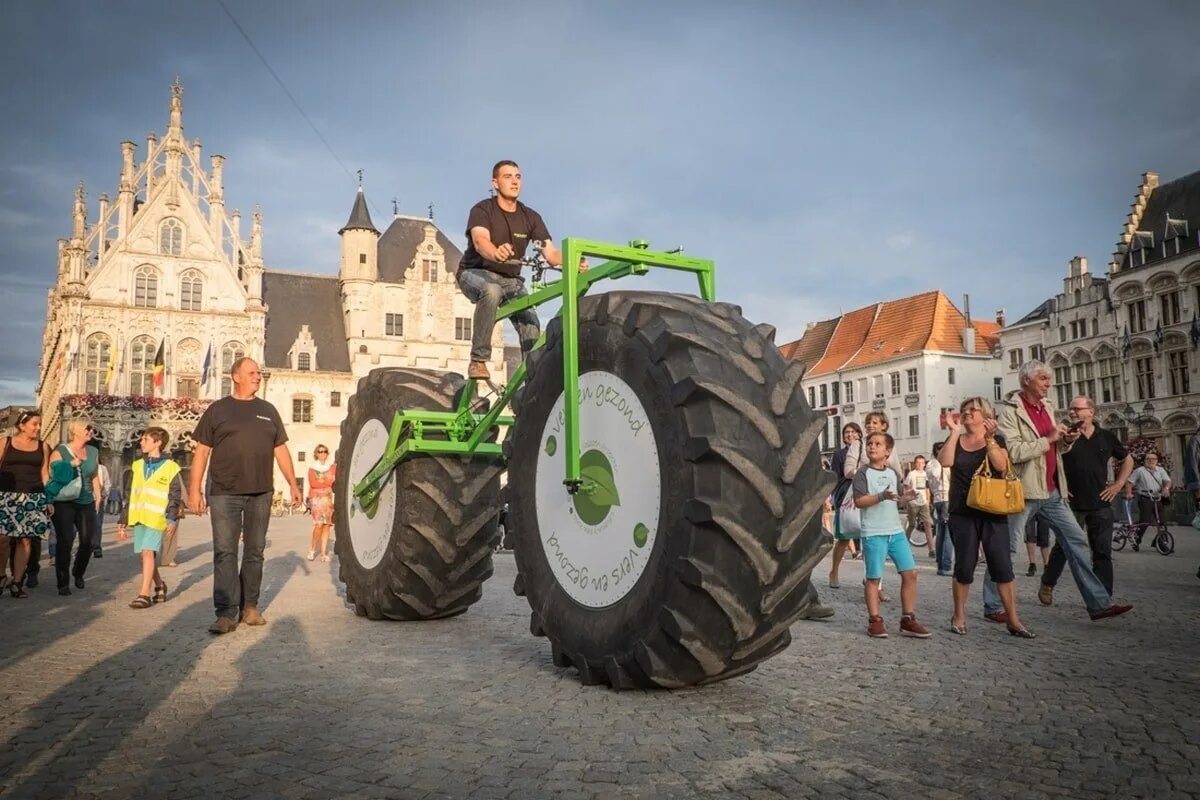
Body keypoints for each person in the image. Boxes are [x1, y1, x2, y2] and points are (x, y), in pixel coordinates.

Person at [991, 361, 1132, 622]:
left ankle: (1098, 604)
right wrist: (1050, 439)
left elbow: (1054, 449)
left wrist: (1065, 441)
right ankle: (992, 605)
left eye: (1049, 378)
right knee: (1008, 548)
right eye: (1043, 378)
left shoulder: (1047, 406)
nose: (1049, 383)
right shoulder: (1010, 412)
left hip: (1053, 489)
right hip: (1024, 489)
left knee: (1076, 540)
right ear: (1026, 381)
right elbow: (1014, 452)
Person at [188, 358, 302, 634]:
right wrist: (194, 490)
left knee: (255, 552)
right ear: (235, 376)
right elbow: (201, 452)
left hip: (261, 491)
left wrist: (293, 483)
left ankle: (250, 606)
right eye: (252, 373)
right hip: (224, 492)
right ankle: (226, 613)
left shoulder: (268, 411)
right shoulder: (218, 410)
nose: (258, 377)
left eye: (259, 373)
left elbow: (281, 450)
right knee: (225, 552)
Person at [456, 160, 583, 380]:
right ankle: (478, 360)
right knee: (492, 290)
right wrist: (495, 252)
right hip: (475, 273)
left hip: (512, 281)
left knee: (531, 322)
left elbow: (551, 254)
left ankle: (531, 382)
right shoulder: (482, 210)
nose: (514, 181)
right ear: (495, 183)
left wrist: (573, 260)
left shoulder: (531, 217)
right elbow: (480, 241)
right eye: (508, 177)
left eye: (518, 177)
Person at [938, 397, 1033, 638]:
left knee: (1002, 565)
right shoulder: (957, 439)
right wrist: (954, 431)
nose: (967, 413)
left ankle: (1013, 619)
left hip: (992, 510)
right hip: (963, 511)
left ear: (986, 416)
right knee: (964, 565)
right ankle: (958, 615)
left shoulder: (997, 439)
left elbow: (1001, 466)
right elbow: (945, 461)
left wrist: (989, 439)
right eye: (964, 410)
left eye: (973, 410)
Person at [1039, 395, 1132, 604]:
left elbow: (1127, 460)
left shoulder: (1106, 436)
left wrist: (1118, 485)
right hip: (1071, 502)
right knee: (1063, 547)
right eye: (1071, 409)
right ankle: (1048, 582)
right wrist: (1057, 484)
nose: (1072, 412)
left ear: (1091, 411)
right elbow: (1048, 461)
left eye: (1077, 409)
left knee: (1102, 551)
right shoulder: (1064, 435)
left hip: (1101, 502)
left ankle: (1103, 598)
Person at [851, 431, 931, 639]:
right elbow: (859, 502)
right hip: (874, 532)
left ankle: (908, 619)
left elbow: (895, 500)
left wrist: (906, 498)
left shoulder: (894, 473)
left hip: (895, 531)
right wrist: (880, 496)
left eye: (877, 444)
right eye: (869, 443)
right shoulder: (862, 473)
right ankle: (875, 620)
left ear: (888, 451)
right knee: (874, 578)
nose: (871, 447)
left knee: (910, 573)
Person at [115, 428, 182, 609]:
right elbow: (130, 494)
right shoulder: (137, 466)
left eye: (145, 439)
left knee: (147, 552)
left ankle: (143, 594)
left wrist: (172, 518)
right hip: (139, 515)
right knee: (145, 556)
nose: (141, 442)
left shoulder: (170, 467)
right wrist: (123, 518)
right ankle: (160, 585)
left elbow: (175, 495)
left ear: (158, 442)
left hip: (157, 517)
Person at [844, 412, 900, 601]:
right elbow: (848, 471)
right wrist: (869, 470)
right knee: (872, 542)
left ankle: (874, 581)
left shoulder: (890, 446)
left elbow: (896, 471)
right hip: (865, 497)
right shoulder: (858, 445)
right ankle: (875, 584)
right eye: (867, 422)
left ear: (884, 425)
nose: (869, 425)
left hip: (886, 501)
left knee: (881, 544)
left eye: (874, 422)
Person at [45, 420, 102, 596]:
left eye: (92, 428)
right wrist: (70, 464)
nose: (91, 431)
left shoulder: (93, 451)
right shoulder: (60, 451)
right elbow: (52, 476)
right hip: (64, 500)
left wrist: (98, 496)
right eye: (87, 428)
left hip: (86, 500)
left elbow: (93, 475)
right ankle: (63, 582)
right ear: (75, 431)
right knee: (66, 541)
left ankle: (78, 572)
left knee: (89, 541)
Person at [0, 410, 52, 598]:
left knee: (26, 540)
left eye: (39, 424)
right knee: (3, 539)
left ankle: (17, 582)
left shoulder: (43, 446)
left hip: (33, 497)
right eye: (34, 424)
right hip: (6, 496)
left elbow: (45, 474)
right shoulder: (5, 443)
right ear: (22, 426)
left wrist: (48, 498)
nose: (38, 428)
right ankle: (1, 575)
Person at [827, 422, 863, 588]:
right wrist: (833, 497)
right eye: (846, 432)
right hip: (846, 498)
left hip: (864, 495)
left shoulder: (866, 449)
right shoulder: (840, 454)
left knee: (869, 538)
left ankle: (873, 579)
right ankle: (834, 571)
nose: (850, 435)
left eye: (853, 431)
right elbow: (835, 477)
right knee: (843, 538)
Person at [1127, 451, 1171, 551]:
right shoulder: (1139, 471)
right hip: (1145, 499)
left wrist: (1166, 488)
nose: (1151, 461)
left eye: (1153, 459)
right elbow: (1129, 482)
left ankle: (1161, 544)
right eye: (1148, 459)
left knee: (1162, 522)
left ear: (1157, 461)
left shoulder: (1160, 470)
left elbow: (1168, 481)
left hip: (1158, 499)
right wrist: (1129, 493)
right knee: (1145, 521)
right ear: (1145, 460)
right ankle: (1136, 540)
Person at [306, 445, 336, 562]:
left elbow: (334, 481)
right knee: (319, 524)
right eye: (320, 451)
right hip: (317, 499)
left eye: (325, 451)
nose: (322, 453)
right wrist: (327, 483)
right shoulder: (312, 468)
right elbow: (313, 483)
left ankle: (323, 553)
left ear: (327, 454)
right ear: (316, 454)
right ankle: (312, 549)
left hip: (327, 499)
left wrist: (324, 482)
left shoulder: (332, 467)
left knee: (326, 526)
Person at [902, 455, 935, 558]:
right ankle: (903, 546)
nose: (920, 465)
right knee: (911, 525)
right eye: (918, 462)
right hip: (913, 503)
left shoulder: (926, 474)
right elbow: (905, 487)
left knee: (928, 525)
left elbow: (927, 489)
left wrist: (928, 502)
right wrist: (907, 499)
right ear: (915, 463)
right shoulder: (911, 474)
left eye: (922, 462)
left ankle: (931, 550)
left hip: (923, 502)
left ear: (924, 464)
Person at [927, 442, 952, 576]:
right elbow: (947, 478)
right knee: (948, 534)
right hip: (946, 498)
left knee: (941, 532)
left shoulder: (930, 464)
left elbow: (930, 481)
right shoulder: (940, 463)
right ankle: (946, 566)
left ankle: (940, 563)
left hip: (937, 499)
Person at [93, 459, 111, 558]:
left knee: (97, 525)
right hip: (84, 499)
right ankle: (84, 548)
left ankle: (97, 548)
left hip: (98, 499)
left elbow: (107, 483)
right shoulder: (82, 465)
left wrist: (104, 494)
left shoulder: (102, 468)